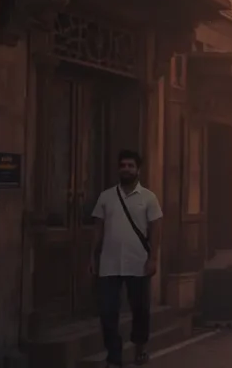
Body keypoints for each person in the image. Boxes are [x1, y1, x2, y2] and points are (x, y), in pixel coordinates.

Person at [90, 149, 163, 368]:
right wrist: (92, 257)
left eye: (131, 166)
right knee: (107, 312)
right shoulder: (106, 196)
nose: (126, 169)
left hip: (138, 262)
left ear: (138, 170)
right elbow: (97, 229)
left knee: (140, 309)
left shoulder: (149, 197)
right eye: (123, 165)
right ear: (118, 169)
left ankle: (140, 347)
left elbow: (156, 229)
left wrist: (153, 258)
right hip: (109, 263)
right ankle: (114, 355)